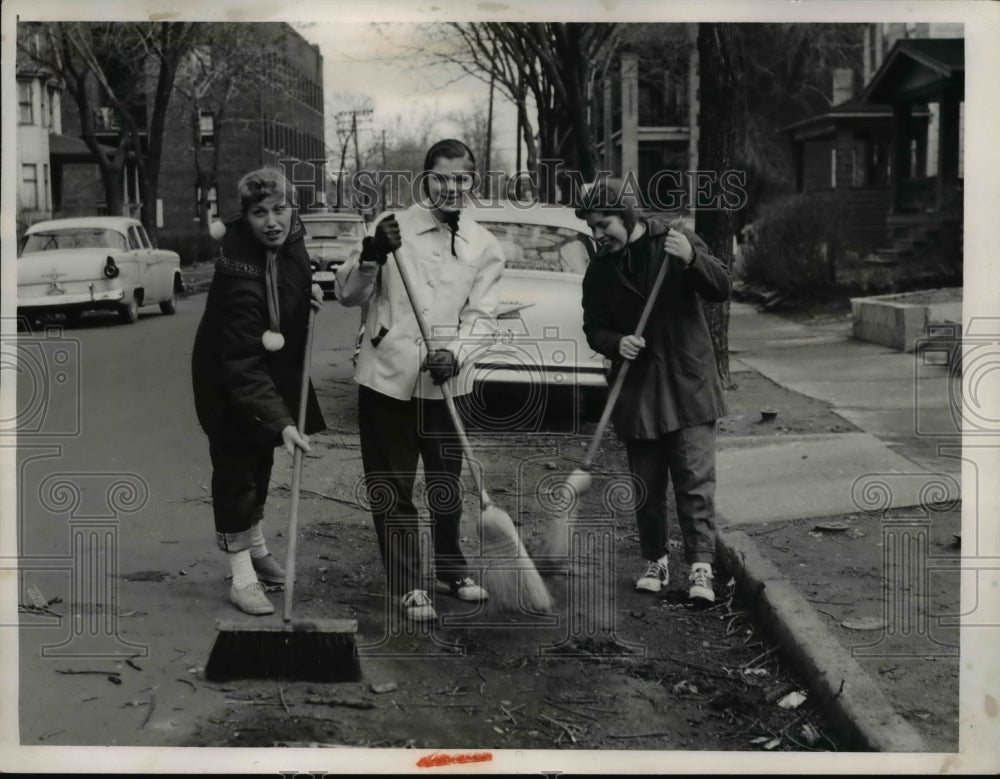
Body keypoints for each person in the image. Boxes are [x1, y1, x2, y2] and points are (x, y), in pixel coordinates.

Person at [335, 139, 506, 622]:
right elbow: (348, 295)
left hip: (447, 383)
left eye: (463, 178)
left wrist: (458, 352)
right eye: (442, 177)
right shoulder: (391, 228)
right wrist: (372, 254)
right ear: (425, 178)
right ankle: (408, 583)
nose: (452, 187)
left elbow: (484, 317)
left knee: (446, 484)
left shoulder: (485, 245)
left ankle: (452, 568)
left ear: (475, 181)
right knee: (392, 486)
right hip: (386, 379)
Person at [575, 178, 731, 604]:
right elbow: (594, 327)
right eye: (591, 228)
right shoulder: (600, 270)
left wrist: (693, 258)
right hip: (637, 390)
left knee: (695, 480)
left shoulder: (675, 242)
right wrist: (615, 343)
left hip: (688, 383)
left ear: (627, 215)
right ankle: (655, 560)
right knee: (645, 484)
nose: (597, 234)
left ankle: (701, 567)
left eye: (603, 224)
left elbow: (721, 288)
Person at [192, 167, 325, 616]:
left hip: (270, 372)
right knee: (236, 473)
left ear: (293, 209)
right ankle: (241, 574)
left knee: (261, 463)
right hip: (229, 380)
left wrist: (301, 297)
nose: (272, 220)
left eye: (280, 209)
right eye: (259, 212)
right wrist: (283, 421)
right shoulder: (238, 273)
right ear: (244, 217)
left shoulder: (292, 240)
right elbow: (241, 364)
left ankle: (258, 548)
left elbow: (289, 278)